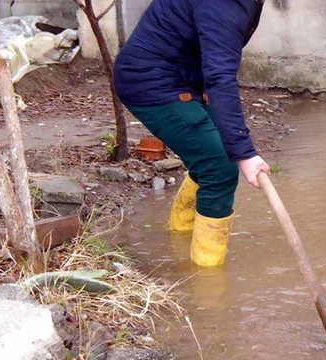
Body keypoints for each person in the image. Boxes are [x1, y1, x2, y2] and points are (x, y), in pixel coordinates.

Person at [113, 0, 270, 267]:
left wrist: (203, 84)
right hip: (149, 80)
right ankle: (208, 279)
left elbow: (208, 42)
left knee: (210, 156)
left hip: (178, 75)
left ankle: (181, 236)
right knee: (220, 166)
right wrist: (245, 154)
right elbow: (222, 75)